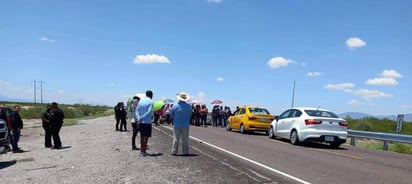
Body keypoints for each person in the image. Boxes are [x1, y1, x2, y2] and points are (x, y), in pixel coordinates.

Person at [135, 90, 154, 157]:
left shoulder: (140, 101)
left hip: (140, 121)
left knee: (141, 136)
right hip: (147, 122)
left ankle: (141, 151)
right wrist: (142, 117)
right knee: (146, 137)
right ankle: (144, 151)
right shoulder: (151, 101)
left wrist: (138, 118)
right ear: (151, 95)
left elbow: (136, 111)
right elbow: (149, 112)